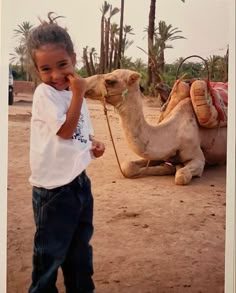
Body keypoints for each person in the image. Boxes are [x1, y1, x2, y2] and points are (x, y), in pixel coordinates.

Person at [27, 14, 105, 293]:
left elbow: (80, 131)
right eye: (46, 69)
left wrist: (94, 145)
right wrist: (79, 94)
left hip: (79, 185)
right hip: (53, 192)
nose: (56, 75)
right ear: (37, 71)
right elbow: (64, 131)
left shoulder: (74, 93)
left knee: (79, 254)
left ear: (73, 58)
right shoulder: (44, 95)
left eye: (62, 64)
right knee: (49, 257)